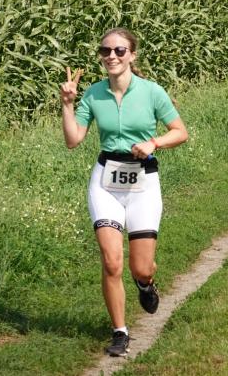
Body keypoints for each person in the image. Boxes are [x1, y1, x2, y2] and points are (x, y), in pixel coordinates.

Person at [60, 27, 188, 357]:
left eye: (119, 51)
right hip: (106, 181)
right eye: (105, 51)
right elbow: (73, 140)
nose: (112, 56)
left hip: (143, 180)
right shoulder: (93, 94)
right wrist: (67, 105)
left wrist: (154, 142)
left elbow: (180, 132)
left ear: (132, 55)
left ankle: (145, 284)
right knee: (112, 261)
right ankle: (120, 331)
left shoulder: (152, 92)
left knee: (140, 267)